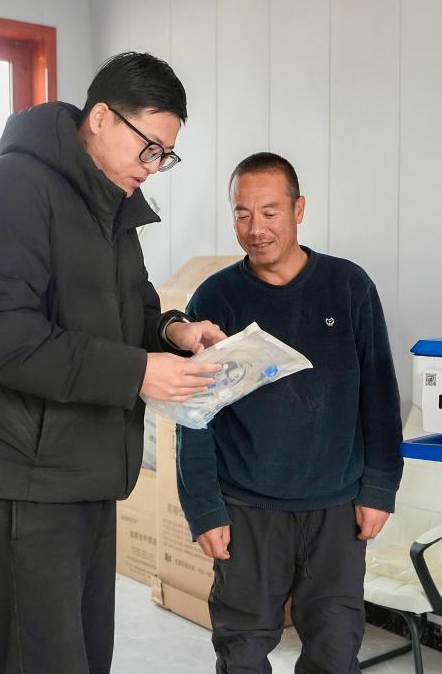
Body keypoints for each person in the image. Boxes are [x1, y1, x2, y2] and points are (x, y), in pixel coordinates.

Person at [0, 52, 225, 674]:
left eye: (165, 155)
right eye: (148, 147)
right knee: (39, 659)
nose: (154, 166)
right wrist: (138, 372)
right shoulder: (7, 191)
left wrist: (174, 331)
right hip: (17, 478)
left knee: (84, 657)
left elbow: (135, 311)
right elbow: (2, 337)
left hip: (82, 470)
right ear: (102, 118)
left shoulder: (109, 208)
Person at [177, 152, 404, 673]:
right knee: (242, 651)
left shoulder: (349, 287)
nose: (255, 228)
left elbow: (379, 394)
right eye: (242, 214)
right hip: (247, 507)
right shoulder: (216, 298)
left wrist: (379, 488)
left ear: (299, 209)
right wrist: (205, 509)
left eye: (269, 212)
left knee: (335, 649)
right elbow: (196, 415)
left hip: (337, 507)